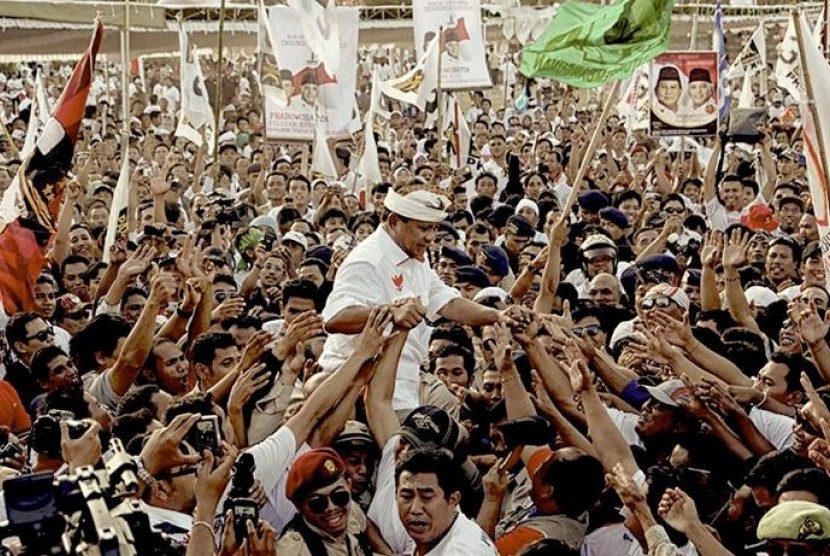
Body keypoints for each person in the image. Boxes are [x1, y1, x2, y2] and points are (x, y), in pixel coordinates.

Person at [320, 187, 514, 412]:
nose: (430, 237)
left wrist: (497, 315)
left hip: (403, 385)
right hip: (355, 388)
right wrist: (392, 312)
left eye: (433, 228)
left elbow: (448, 303)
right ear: (394, 221)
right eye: (423, 228)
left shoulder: (415, 257)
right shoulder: (367, 260)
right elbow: (334, 319)